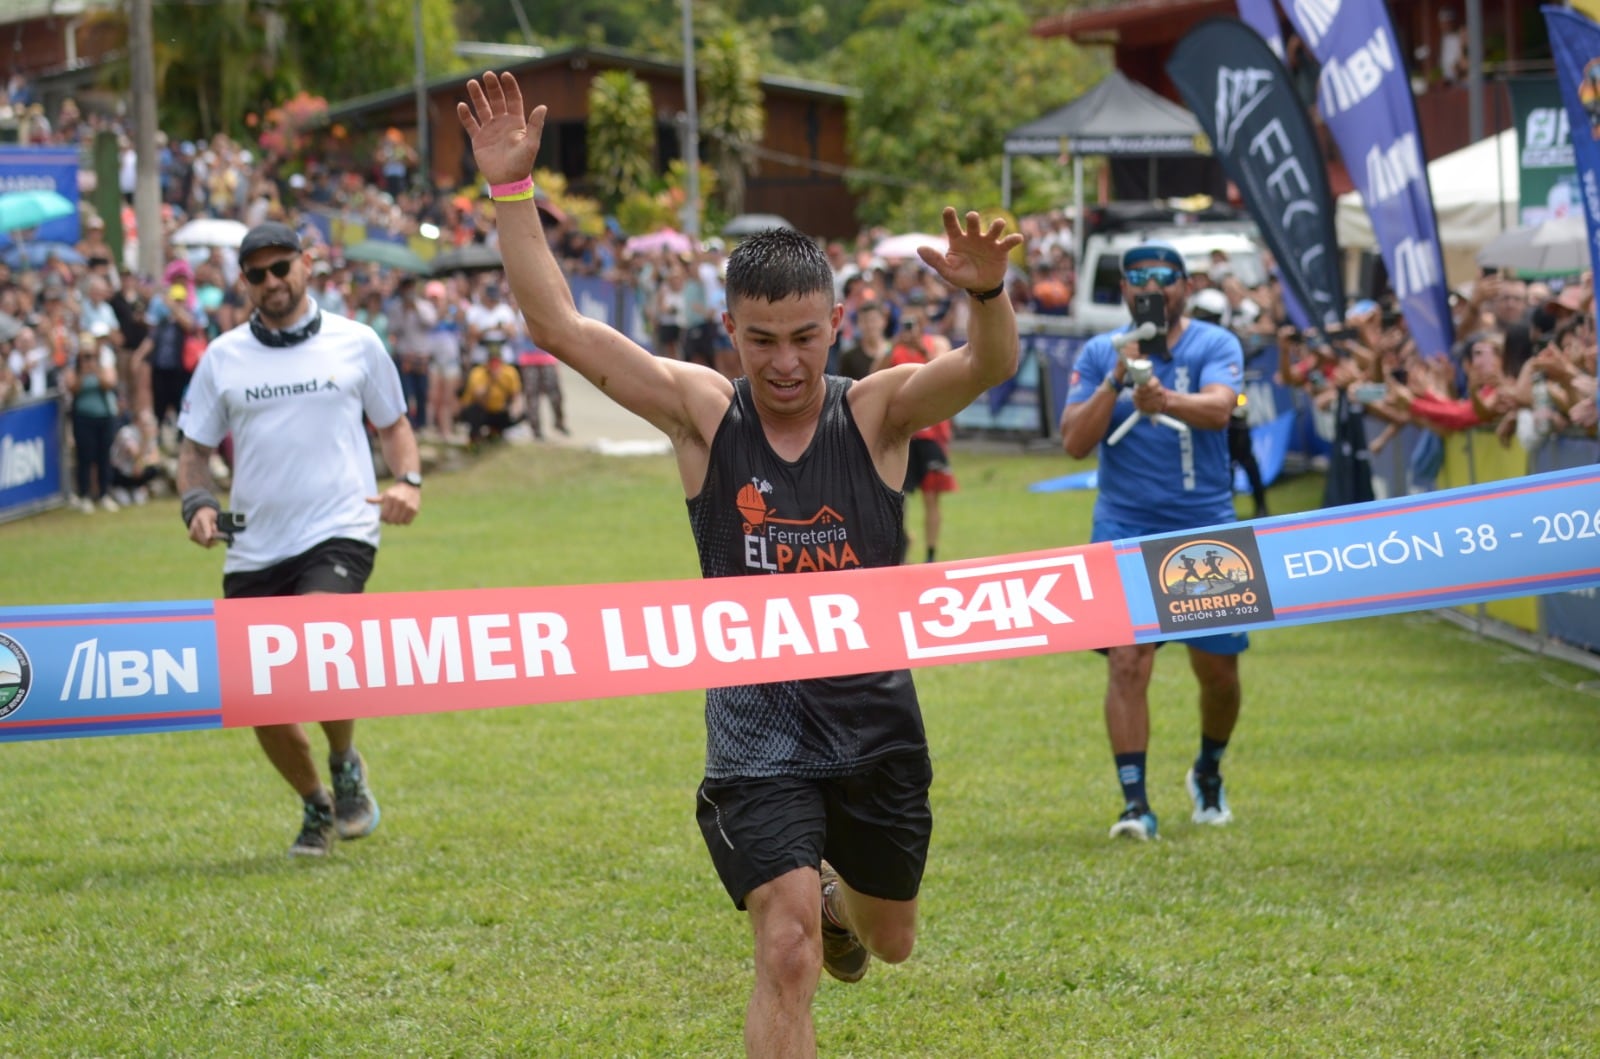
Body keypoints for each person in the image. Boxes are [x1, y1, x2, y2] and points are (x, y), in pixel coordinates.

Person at [458, 71, 1022, 1059]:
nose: (786, 363)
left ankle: (853, 904)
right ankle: (817, 913)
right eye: (761, 341)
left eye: (804, 337)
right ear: (732, 333)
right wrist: (512, 193)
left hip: (875, 722)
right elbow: (560, 329)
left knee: (887, 941)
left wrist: (985, 295)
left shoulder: (876, 412)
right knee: (787, 945)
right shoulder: (703, 414)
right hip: (755, 728)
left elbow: (984, 366)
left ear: (834, 327)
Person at [175, 221, 423, 858]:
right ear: (243, 283)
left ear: (307, 264)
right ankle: (317, 802)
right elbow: (194, 451)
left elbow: (393, 425)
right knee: (254, 694)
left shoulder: (357, 342)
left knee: (316, 645)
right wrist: (198, 503)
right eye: (256, 274)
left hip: (340, 529)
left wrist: (410, 482)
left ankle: (344, 759)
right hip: (253, 542)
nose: (271, 282)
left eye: (280, 266)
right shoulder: (223, 357)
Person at [1060, 239, 1246, 842]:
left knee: (1217, 671)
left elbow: (1220, 410)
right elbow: (1073, 441)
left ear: (1185, 288)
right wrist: (1115, 379)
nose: (1153, 293)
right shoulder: (1098, 353)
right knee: (1127, 661)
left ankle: (1208, 770)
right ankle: (1135, 804)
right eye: (1140, 284)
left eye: (1165, 282)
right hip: (1124, 526)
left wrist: (1165, 399)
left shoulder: (1215, 344)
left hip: (1205, 524)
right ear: (1125, 294)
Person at [458, 330, 523, 445]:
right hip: (480, 409)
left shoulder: (509, 372)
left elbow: (516, 396)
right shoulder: (477, 373)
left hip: (498, 409)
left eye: (497, 361)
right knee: (475, 411)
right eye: (492, 361)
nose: (495, 365)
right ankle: (474, 438)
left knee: (516, 414)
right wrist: (492, 380)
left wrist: (515, 409)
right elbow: (480, 399)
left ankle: (496, 433)